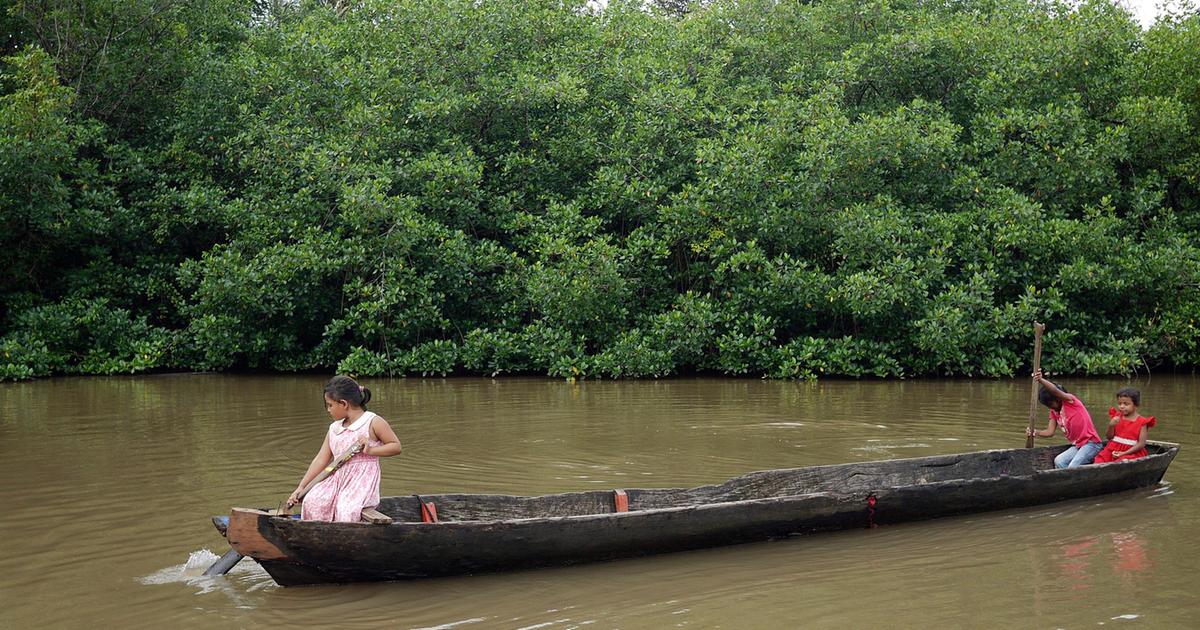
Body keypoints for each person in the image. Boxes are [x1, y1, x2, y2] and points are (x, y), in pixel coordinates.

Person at [286, 375, 402, 522]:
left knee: (347, 510)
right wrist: (301, 487)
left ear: (343, 404)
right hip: (336, 478)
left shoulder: (372, 422)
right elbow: (321, 459)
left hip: (361, 481)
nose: (328, 410)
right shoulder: (334, 428)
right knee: (313, 501)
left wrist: (371, 450)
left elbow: (396, 446)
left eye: (330, 405)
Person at [1026, 369, 1102, 468]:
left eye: (1050, 404)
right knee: (1059, 461)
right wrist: (1035, 432)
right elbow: (1050, 432)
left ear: (1057, 399)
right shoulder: (1054, 412)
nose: (1050, 407)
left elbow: (1055, 391)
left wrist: (1040, 380)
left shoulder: (1071, 402)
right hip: (1078, 445)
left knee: (1072, 466)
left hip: (1092, 444)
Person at [1093, 387, 1156, 464]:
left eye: (1126, 404)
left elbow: (1141, 444)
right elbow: (1109, 437)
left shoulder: (1142, 422)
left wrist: (1123, 453)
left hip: (1131, 453)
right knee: (1099, 460)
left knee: (1122, 462)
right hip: (1112, 450)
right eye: (1119, 404)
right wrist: (1111, 425)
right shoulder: (1116, 417)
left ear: (1135, 405)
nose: (1122, 406)